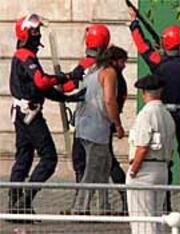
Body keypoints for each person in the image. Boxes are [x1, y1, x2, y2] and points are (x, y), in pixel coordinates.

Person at [8, 13, 80, 219]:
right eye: (35, 31)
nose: (38, 35)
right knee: (49, 158)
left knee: (23, 159)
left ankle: (16, 207)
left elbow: (41, 88)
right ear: (25, 34)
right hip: (29, 114)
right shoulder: (24, 55)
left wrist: (69, 97)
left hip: (23, 113)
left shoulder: (26, 55)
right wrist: (64, 76)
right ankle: (23, 201)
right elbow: (41, 81)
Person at [127, 8, 180, 211]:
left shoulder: (159, 62)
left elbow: (142, 47)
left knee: (166, 159)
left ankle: (166, 203)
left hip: (166, 114)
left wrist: (135, 24)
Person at [68, 24, 128, 214]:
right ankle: (81, 208)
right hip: (97, 129)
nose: (125, 66)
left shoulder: (92, 70)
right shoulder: (109, 73)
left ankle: (104, 207)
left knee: (104, 167)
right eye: (123, 62)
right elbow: (110, 100)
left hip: (83, 126)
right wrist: (117, 125)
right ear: (116, 60)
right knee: (94, 170)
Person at [127, 74, 175, 234]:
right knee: (156, 216)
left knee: (142, 218)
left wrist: (133, 170)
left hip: (144, 169)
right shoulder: (167, 114)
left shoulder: (146, 114)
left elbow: (142, 146)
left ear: (144, 92)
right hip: (162, 168)